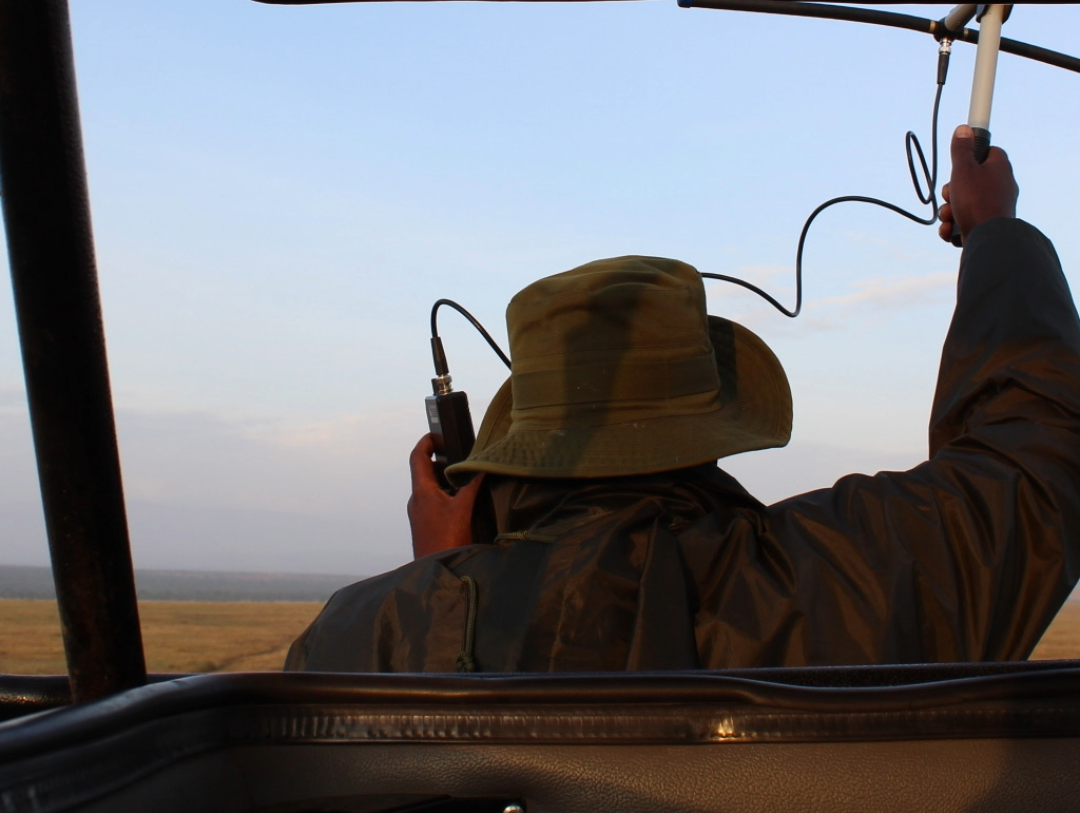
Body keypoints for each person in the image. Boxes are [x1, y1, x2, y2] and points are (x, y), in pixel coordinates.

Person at [286, 127, 1080, 671]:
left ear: (508, 456)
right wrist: (995, 233)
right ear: (708, 425)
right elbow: (1037, 475)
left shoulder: (355, 638)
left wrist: (450, 580)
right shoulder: (818, 582)